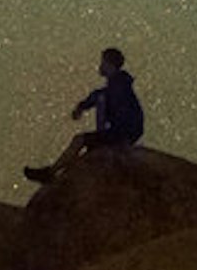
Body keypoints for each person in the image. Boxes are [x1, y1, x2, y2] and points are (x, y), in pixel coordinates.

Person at [24, 47, 145, 183]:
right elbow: (101, 96)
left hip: (121, 133)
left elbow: (102, 97)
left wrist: (82, 107)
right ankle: (59, 175)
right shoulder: (119, 85)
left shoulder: (118, 85)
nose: (100, 66)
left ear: (109, 64)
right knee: (85, 153)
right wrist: (83, 106)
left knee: (79, 140)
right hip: (123, 132)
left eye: (103, 62)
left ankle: (51, 172)